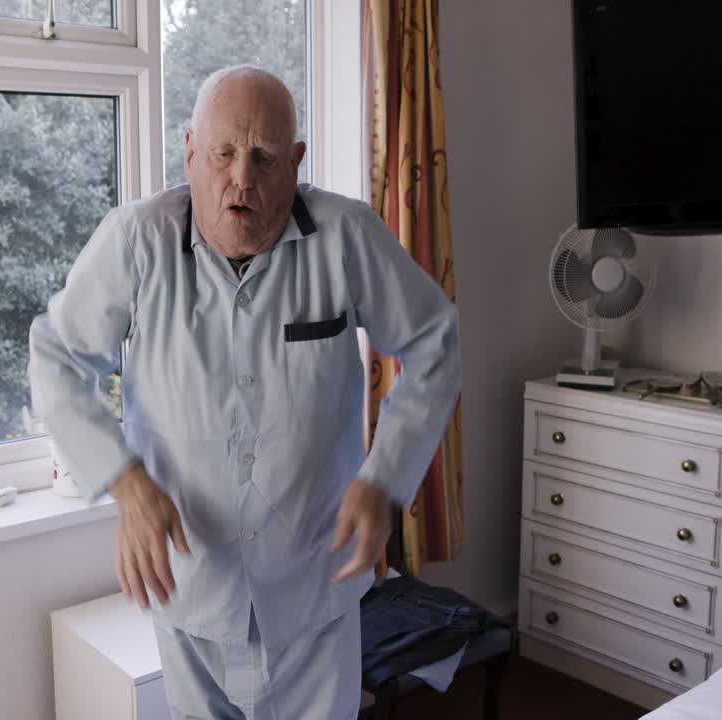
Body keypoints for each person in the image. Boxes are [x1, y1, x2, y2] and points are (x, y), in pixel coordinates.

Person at [28, 65, 459, 720]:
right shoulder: (137, 243)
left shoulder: (346, 236)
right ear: (190, 150)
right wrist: (126, 483)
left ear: (296, 161)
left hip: (315, 587)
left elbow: (435, 340)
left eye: (263, 157)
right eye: (224, 153)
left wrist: (384, 478)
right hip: (193, 587)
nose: (242, 178)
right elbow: (55, 357)